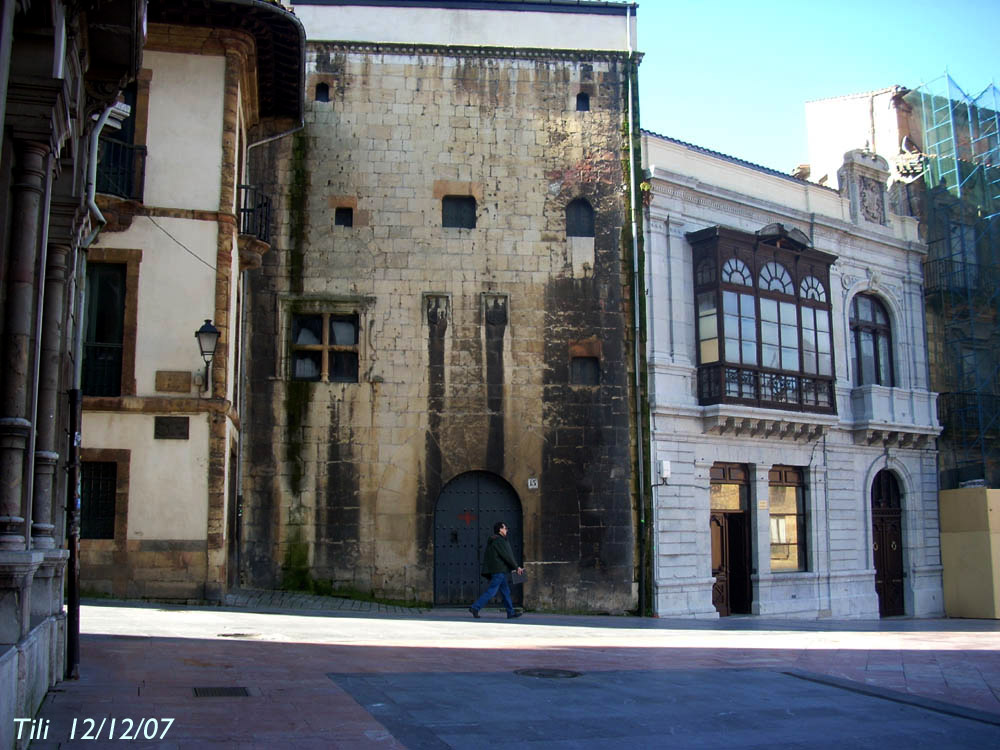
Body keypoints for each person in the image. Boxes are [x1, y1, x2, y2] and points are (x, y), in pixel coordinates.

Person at [469, 521, 524, 619]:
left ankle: (510, 612)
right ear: (500, 529)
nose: (506, 530)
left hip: (500, 570)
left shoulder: (496, 540)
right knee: (492, 591)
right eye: (505, 528)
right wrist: (516, 567)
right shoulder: (499, 540)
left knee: (505, 592)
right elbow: (507, 556)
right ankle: (475, 607)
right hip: (499, 571)